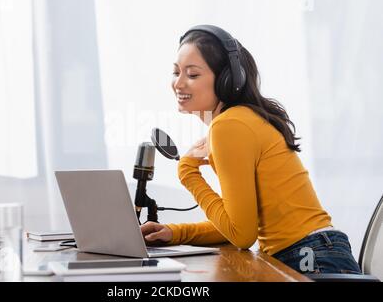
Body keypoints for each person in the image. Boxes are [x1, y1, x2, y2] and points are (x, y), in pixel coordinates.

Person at [140, 25, 361, 275]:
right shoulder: (238, 121)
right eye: (176, 72)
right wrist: (173, 233)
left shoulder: (229, 125)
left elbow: (241, 235)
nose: (178, 83)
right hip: (315, 252)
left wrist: (187, 173)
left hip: (311, 258)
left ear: (226, 79)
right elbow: (240, 224)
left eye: (192, 75)